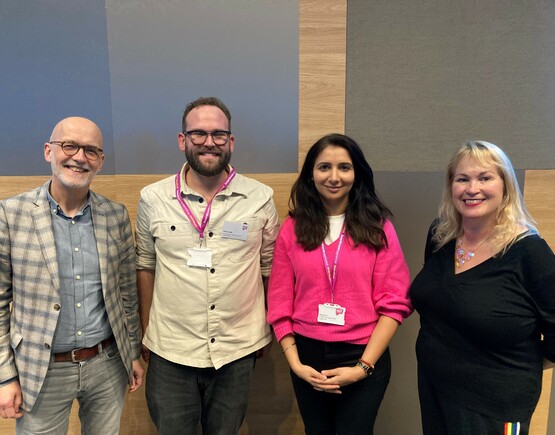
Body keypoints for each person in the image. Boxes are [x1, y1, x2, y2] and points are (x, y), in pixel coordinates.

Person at [135, 96, 280, 434]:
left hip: (236, 348)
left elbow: (270, 267)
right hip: (171, 349)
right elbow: (145, 266)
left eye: (218, 134)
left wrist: (266, 326)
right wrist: (146, 329)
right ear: (182, 140)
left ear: (231, 142)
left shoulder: (260, 197)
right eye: (198, 133)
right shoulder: (153, 199)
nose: (208, 142)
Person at [0, 117, 144, 434]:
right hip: (41, 370)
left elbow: (126, 294)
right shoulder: (10, 215)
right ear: (48, 151)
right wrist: (5, 376)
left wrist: (132, 353)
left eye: (90, 150)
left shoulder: (115, 215)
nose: (79, 157)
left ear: (100, 161)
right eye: (69, 146)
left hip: (107, 364)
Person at [267, 133, 412, 434]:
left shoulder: (378, 226)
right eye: (324, 167)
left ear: (356, 173)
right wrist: (296, 364)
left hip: (363, 355)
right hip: (307, 359)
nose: (334, 177)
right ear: (311, 173)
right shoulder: (292, 228)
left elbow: (395, 304)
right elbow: (279, 302)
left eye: (344, 167)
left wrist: (361, 369)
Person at [410, 140, 555, 435]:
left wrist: (516, 367)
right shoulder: (441, 235)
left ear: (505, 185)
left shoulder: (530, 252)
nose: (472, 188)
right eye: (462, 179)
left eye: (485, 177)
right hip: (435, 387)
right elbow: (441, 302)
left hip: (495, 403)